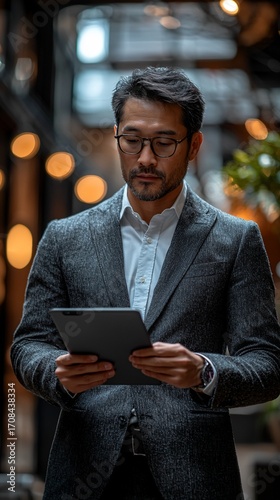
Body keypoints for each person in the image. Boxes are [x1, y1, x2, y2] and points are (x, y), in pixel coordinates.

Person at [11, 66, 280, 500]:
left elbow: (266, 362)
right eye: (132, 140)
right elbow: (28, 345)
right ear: (117, 135)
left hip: (194, 476)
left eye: (164, 142)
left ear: (194, 145)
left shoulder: (235, 240)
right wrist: (56, 372)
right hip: (83, 470)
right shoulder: (65, 237)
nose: (145, 159)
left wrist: (204, 371)